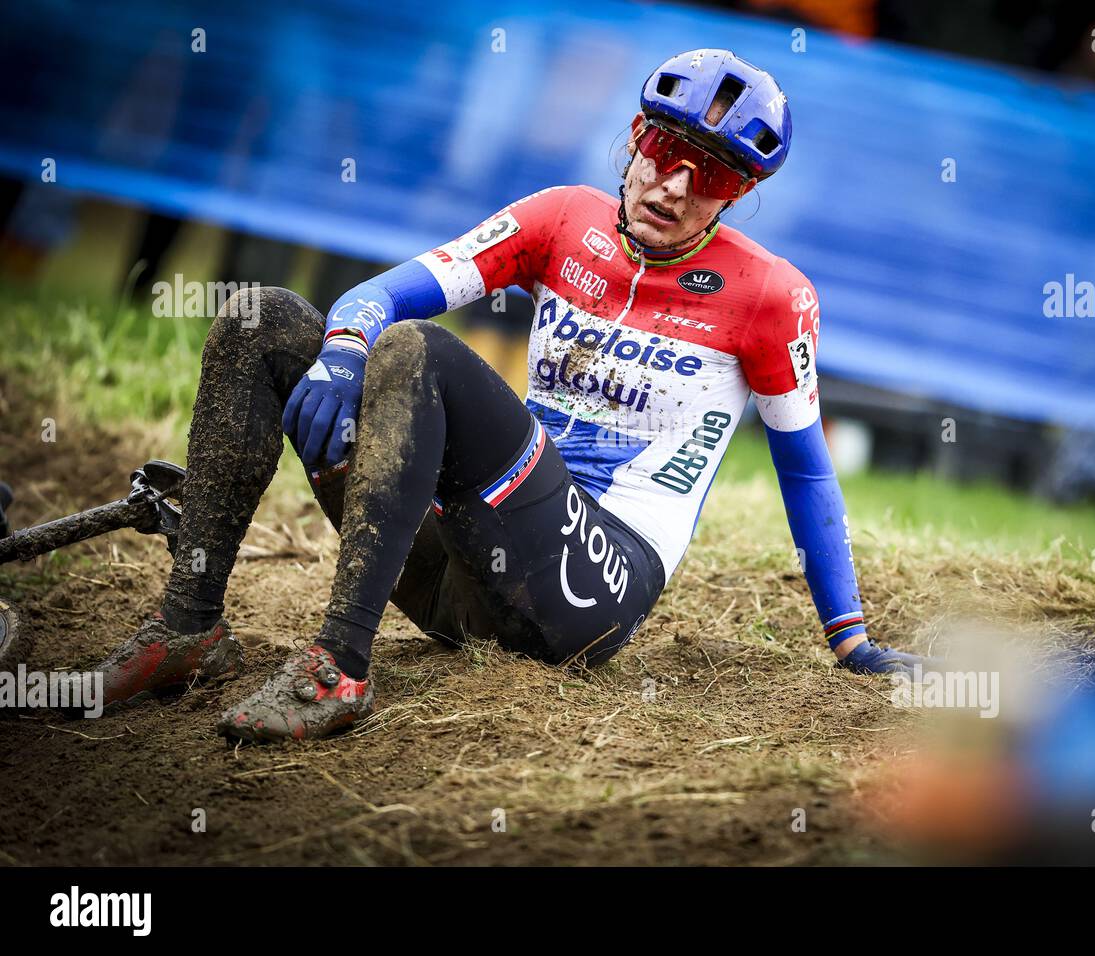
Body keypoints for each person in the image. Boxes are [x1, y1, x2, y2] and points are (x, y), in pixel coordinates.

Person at [86, 49, 924, 743]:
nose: (673, 188)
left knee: (423, 356)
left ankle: (337, 668)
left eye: (707, 178)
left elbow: (808, 473)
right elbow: (386, 294)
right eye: (664, 155)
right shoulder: (564, 218)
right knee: (261, 318)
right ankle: (188, 627)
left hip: (590, 590)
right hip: (462, 562)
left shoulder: (772, 295)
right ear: (634, 138)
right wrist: (343, 348)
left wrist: (851, 640)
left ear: (737, 194)